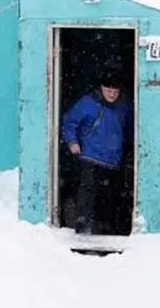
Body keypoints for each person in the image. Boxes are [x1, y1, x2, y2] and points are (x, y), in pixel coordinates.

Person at [61, 72, 134, 235]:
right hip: (90, 155)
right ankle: (83, 224)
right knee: (88, 191)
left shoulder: (124, 107)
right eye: (109, 91)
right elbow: (70, 122)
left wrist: (129, 150)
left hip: (114, 159)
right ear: (101, 88)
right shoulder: (88, 103)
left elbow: (130, 130)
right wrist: (72, 142)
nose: (112, 95)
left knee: (109, 196)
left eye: (115, 92)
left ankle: (106, 227)